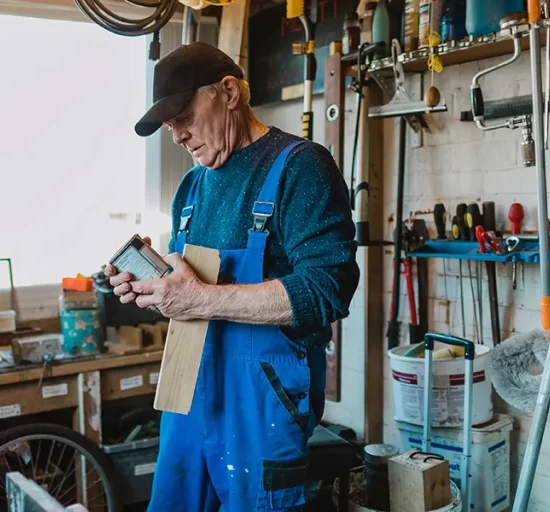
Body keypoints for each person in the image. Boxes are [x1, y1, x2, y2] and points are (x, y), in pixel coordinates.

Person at [103, 42, 360, 510]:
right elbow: (190, 293)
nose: (178, 135)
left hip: (260, 408)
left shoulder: (300, 167)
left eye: (183, 115)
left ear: (228, 92)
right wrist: (155, 289)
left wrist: (198, 299)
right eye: (169, 126)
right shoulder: (192, 185)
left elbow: (327, 290)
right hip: (188, 394)